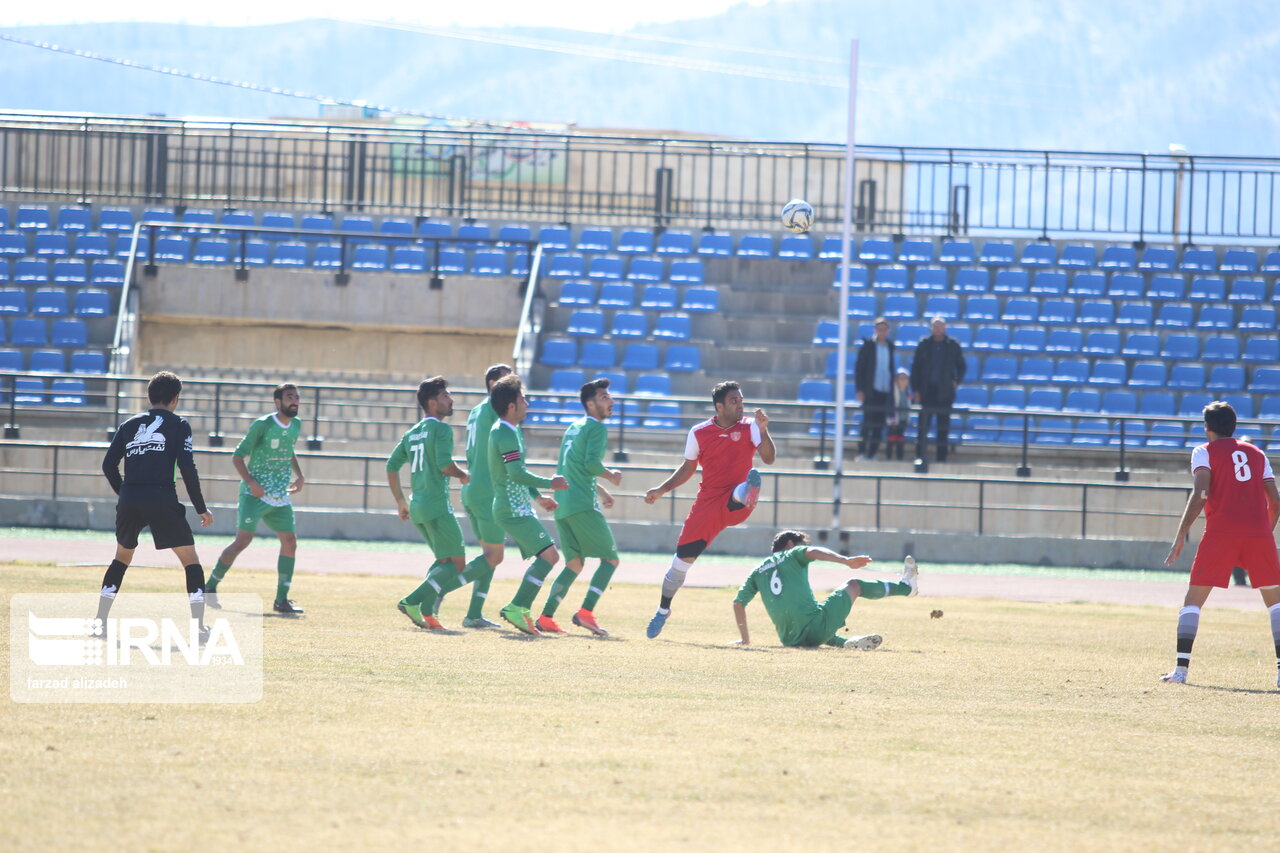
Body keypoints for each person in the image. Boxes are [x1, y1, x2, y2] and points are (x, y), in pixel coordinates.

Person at [643, 380, 776, 638]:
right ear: (719, 406)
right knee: (679, 566)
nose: (740, 405)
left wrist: (764, 428)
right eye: (734, 401)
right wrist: (660, 490)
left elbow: (769, 458)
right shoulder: (699, 432)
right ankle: (662, 610)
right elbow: (687, 468)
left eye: (741, 400)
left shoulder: (750, 426)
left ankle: (748, 491)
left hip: (738, 502)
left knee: (741, 491)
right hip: (707, 505)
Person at [1161, 401, 1280, 687]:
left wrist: (1181, 534)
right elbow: (1275, 501)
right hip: (1259, 533)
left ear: (1207, 428)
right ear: (1234, 426)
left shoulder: (1203, 451)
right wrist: (1263, 532)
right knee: (1276, 605)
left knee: (1193, 601)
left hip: (1220, 532)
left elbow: (1201, 493)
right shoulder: (1257, 452)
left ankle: (1181, 671)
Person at [95, 371, 213, 642]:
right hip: (161, 497)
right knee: (190, 560)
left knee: (121, 558)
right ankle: (198, 629)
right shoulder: (179, 424)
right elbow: (187, 467)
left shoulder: (128, 424)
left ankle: (100, 622)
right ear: (175, 399)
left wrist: (124, 492)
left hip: (130, 498)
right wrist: (200, 507)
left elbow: (107, 465)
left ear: (149, 396)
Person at [388, 377, 483, 630]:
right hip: (437, 505)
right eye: (445, 397)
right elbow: (444, 465)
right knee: (458, 564)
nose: (451, 400)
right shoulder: (441, 430)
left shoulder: (411, 433)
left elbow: (391, 466)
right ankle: (412, 601)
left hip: (417, 505)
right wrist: (463, 475)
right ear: (432, 403)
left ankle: (429, 612)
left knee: (444, 561)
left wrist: (400, 502)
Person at [207, 383, 306, 616]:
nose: (295, 401)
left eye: (297, 397)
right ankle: (209, 587)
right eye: (290, 397)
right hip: (254, 494)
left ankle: (281, 600)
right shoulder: (263, 425)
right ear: (278, 401)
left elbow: (289, 449)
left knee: (290, 541)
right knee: (242, 541)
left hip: (280, 495)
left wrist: (299, 475)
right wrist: (252, 484)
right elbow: (238, 456)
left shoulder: (297, 425)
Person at [536, 377, 624, 636]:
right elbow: (590, 465)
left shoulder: (574, 427)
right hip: (582, 505)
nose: (611, 402)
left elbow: (570, 468)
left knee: (574, 563)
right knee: (610, 560)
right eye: (604, 397)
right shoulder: (597, 428)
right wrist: (611, 475)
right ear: (590, 403)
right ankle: (585, 612)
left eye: (609, 397)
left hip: (563, 503)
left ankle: (546, 617)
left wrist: (601, 489)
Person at [730, 530, 918, 649]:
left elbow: (738, 603)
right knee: (854, 585)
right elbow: (813, 552)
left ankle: (845, 643)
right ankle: (906, 587)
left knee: (814, 616)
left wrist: (745, 640)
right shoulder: (792, 554)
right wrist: (845, 560)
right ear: (789, 545)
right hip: (815, 629)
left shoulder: (757, 571)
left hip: (789, 639)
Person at [487, 375, 569, 635]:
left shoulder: (509, 431)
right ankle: (517, 607)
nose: (527, 403)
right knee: (551, 556)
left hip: (517, 506)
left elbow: (517, 471)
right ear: (511, 406)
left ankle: (521, 608)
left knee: (549, 556)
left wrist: (538, 497)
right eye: (523, 399)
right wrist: (550, 483)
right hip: (511, 509)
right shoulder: (504, 433)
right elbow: (516, 474)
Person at [458, 364, 514, 628]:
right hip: (487, 489)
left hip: (472, 487)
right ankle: (434, 590)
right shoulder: (494, 409)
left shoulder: (477, 410)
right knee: (496, 556)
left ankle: (474, 614)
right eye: (508, 379)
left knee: (488, 555)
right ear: (494, 384)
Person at [909, 317, 966, 464]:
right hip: (927, 391)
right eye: (935, 326)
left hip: (945, 393)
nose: (937, 329)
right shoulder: (924, 344)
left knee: (943, 427)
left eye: (940, 326)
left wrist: (956, 380)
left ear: (945, 328)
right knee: (923, 427)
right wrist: (916, 389)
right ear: (931, 328)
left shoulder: (952, 345)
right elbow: (915, 368)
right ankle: (920, 456)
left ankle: (941, 458)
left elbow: (961, 366)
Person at [854, 317, 896, 460]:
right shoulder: (868, 346)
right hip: (870, 390)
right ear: (875, 330)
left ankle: (872, 453)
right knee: (867, 423)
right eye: (879, 329)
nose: (882, 332)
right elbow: (860, 369)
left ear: (888, 331)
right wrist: (860, 389)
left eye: (884, 329)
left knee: (879, 425)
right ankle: (861, 452)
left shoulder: (890, 346)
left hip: (884, 391)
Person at [884, 368, 912, 461]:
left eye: (905, 378)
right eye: (901, 378)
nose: (903, 381)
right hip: (893, 419)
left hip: (903, 419)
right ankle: (889, 457)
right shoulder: (892, 393)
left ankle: (900, 457)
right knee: (891, 438)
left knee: (900, 438)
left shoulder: (908, 393)